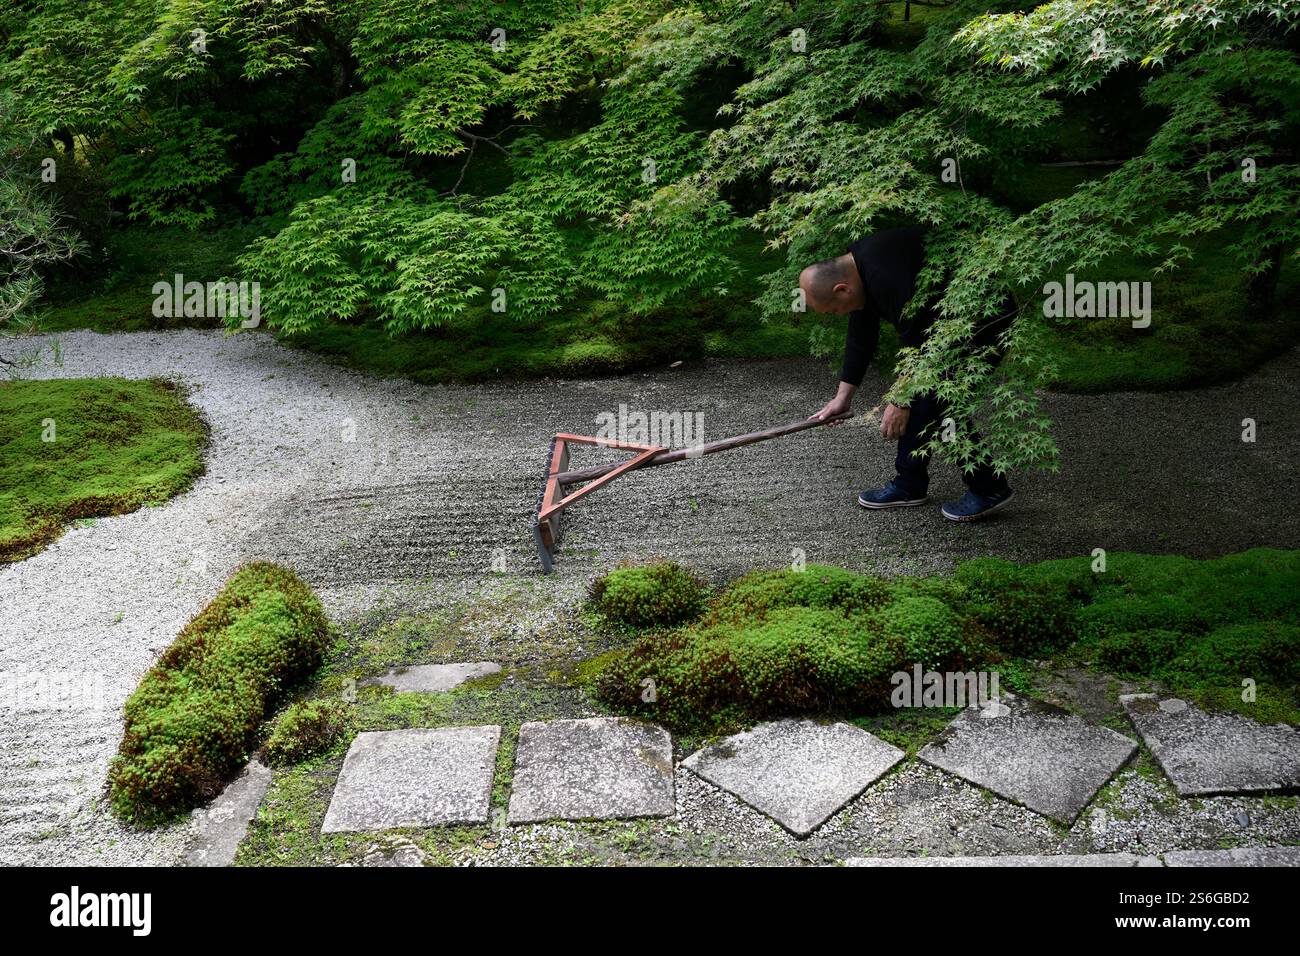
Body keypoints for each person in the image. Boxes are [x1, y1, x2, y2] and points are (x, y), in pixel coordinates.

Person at [803, 226, 1015, 521]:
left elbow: (923, 347)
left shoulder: (888, 278)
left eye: (832, 311)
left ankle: (989, 487)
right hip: (940, 332)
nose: (837, 315)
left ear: (842, 289)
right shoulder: (861, 270)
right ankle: (909, 484)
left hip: (982, 325)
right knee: (924, 399)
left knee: (940, 406)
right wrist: (843, 397)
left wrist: (901, 400)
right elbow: (861, 336)